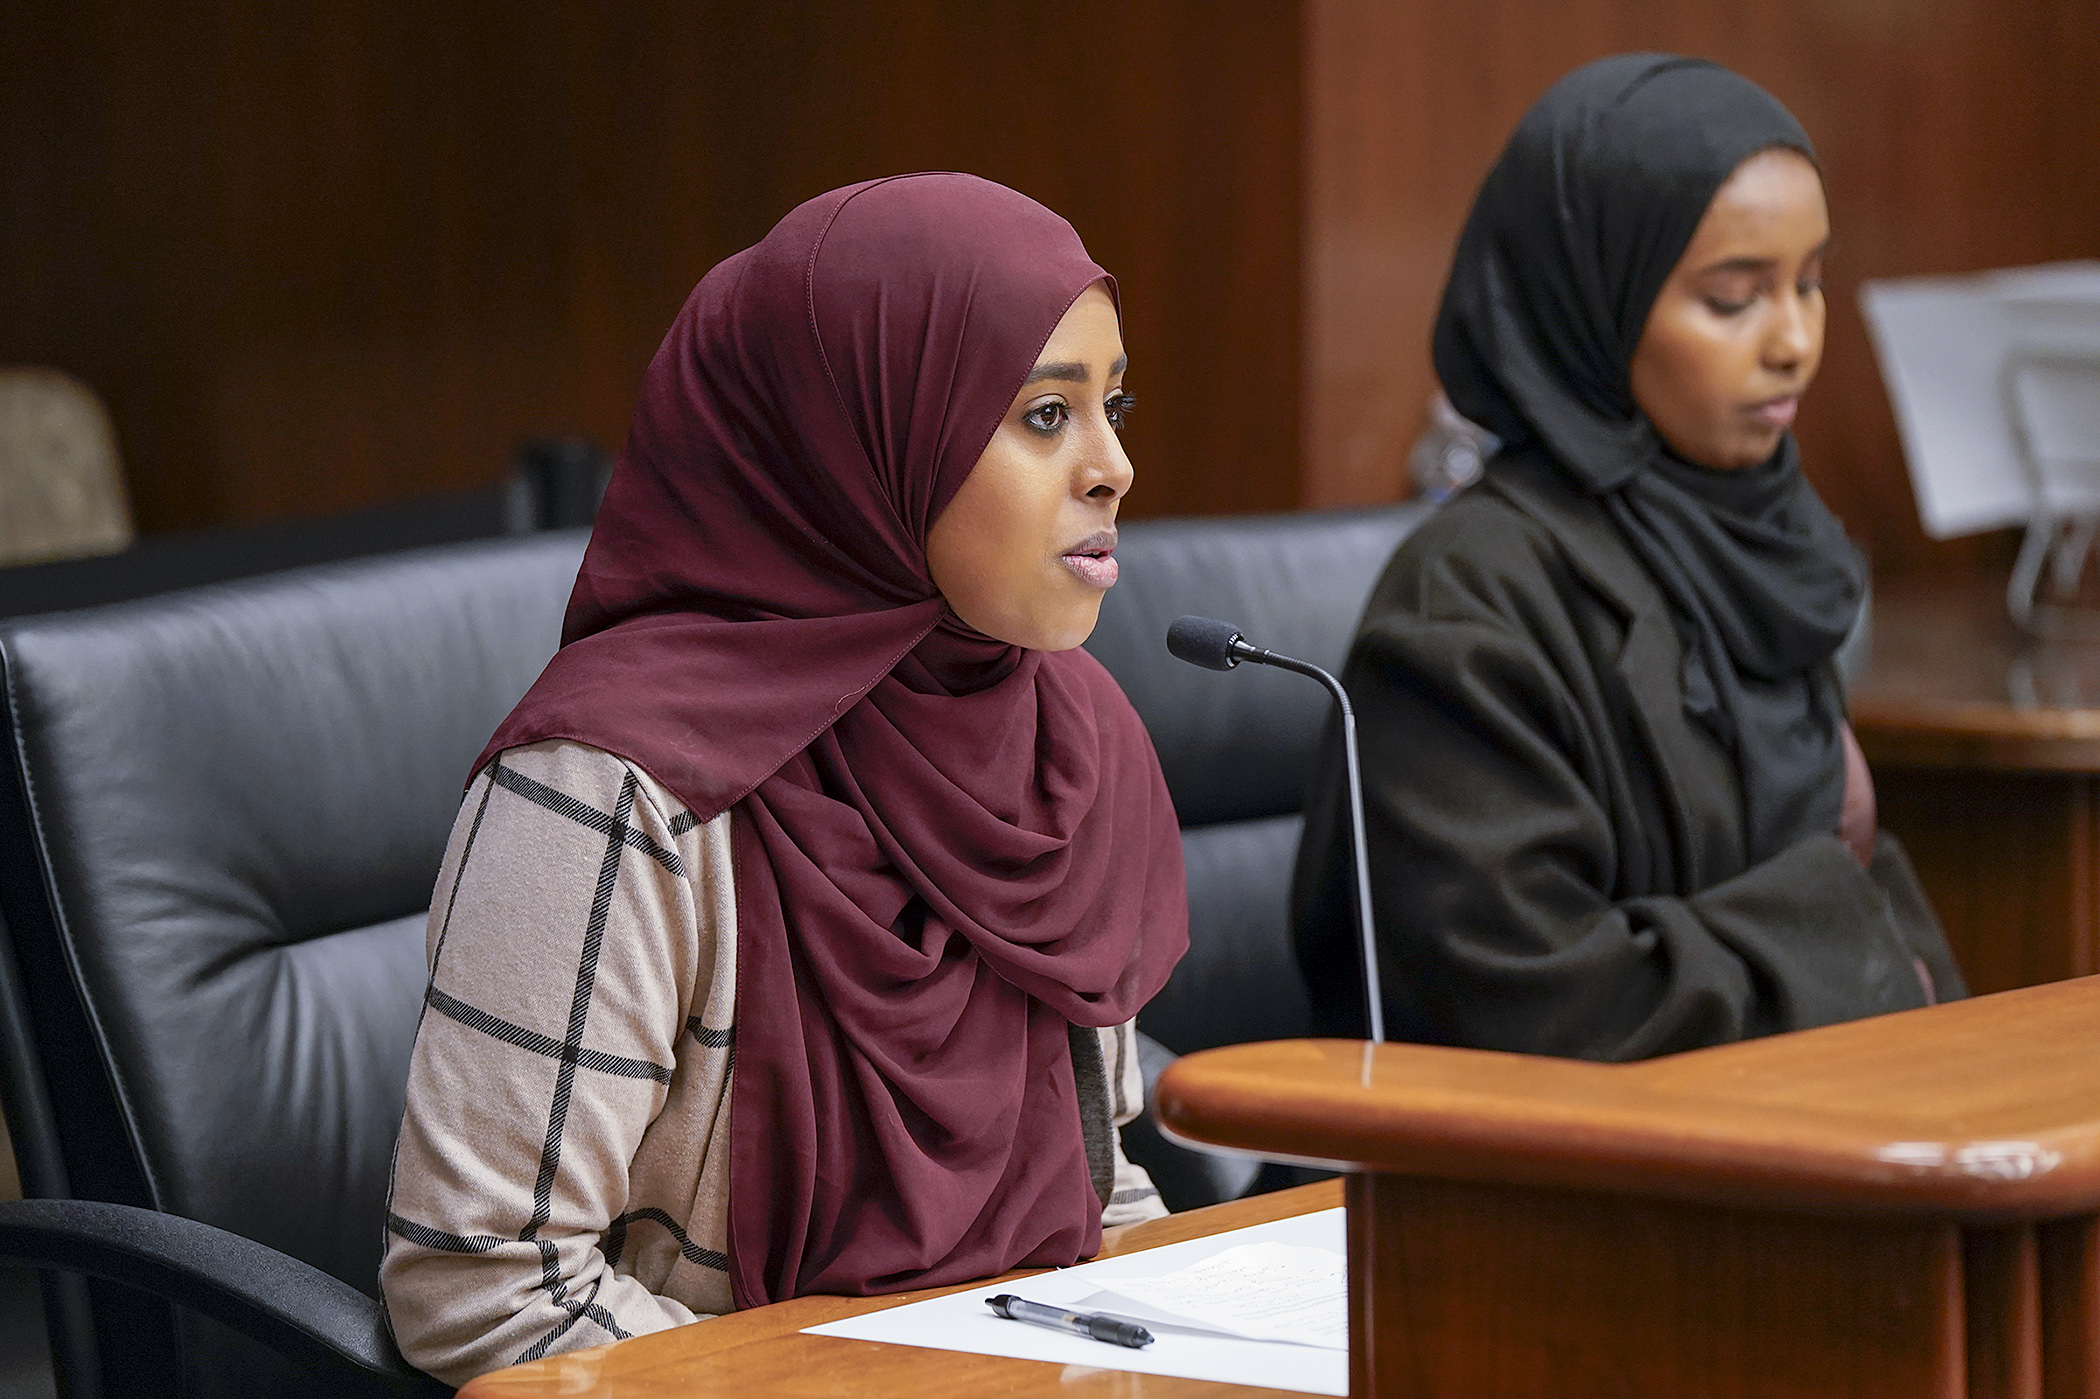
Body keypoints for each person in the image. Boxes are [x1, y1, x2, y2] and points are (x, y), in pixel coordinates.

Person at [379, 174, 1187, 1385]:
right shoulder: (615, 787)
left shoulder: (1065, 736)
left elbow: (1100, 1196)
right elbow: (486, 1285)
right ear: (859, 438)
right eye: (1043, 415)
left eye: (1112, 405)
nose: (1114, 465)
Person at [1292, 55, 1965, 1062]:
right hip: (1560, 1191)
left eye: (1811, 282)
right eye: (1734, 298)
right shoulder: (1465, 599)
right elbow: (1533, 1002)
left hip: (1801, 1131)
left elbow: (1871, 906)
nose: (1795, 341)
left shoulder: (1759, 544)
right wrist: (1848, 953)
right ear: (1592, 305)